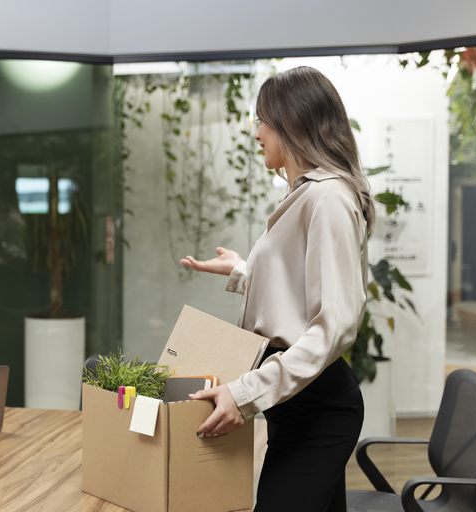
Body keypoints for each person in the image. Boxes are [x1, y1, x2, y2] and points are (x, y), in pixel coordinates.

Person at [181, 66, 373, 512]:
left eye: (262, 120)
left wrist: (244, 391)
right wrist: (244, 271)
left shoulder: (328, 198)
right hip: (297, 406)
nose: (257, 133)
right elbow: (301, 291)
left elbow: (334, 326)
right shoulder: (308, 195)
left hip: (319, 408)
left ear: (293, 122)